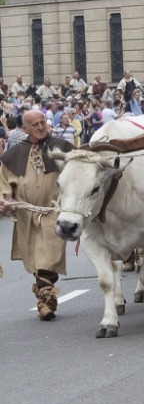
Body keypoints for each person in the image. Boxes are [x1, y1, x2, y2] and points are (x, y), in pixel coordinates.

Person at [0, 111, 74, 320]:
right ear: (24, 129)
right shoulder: (13, 155)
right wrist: (7, 200)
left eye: (43, 123)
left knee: (48, 256)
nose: (41, 127)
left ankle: (44, 300)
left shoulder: (62, 147)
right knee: (34, 257)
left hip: (53, 212)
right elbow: (4, 184)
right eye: (35, 124)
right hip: (26, 215)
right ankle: (46, 296)